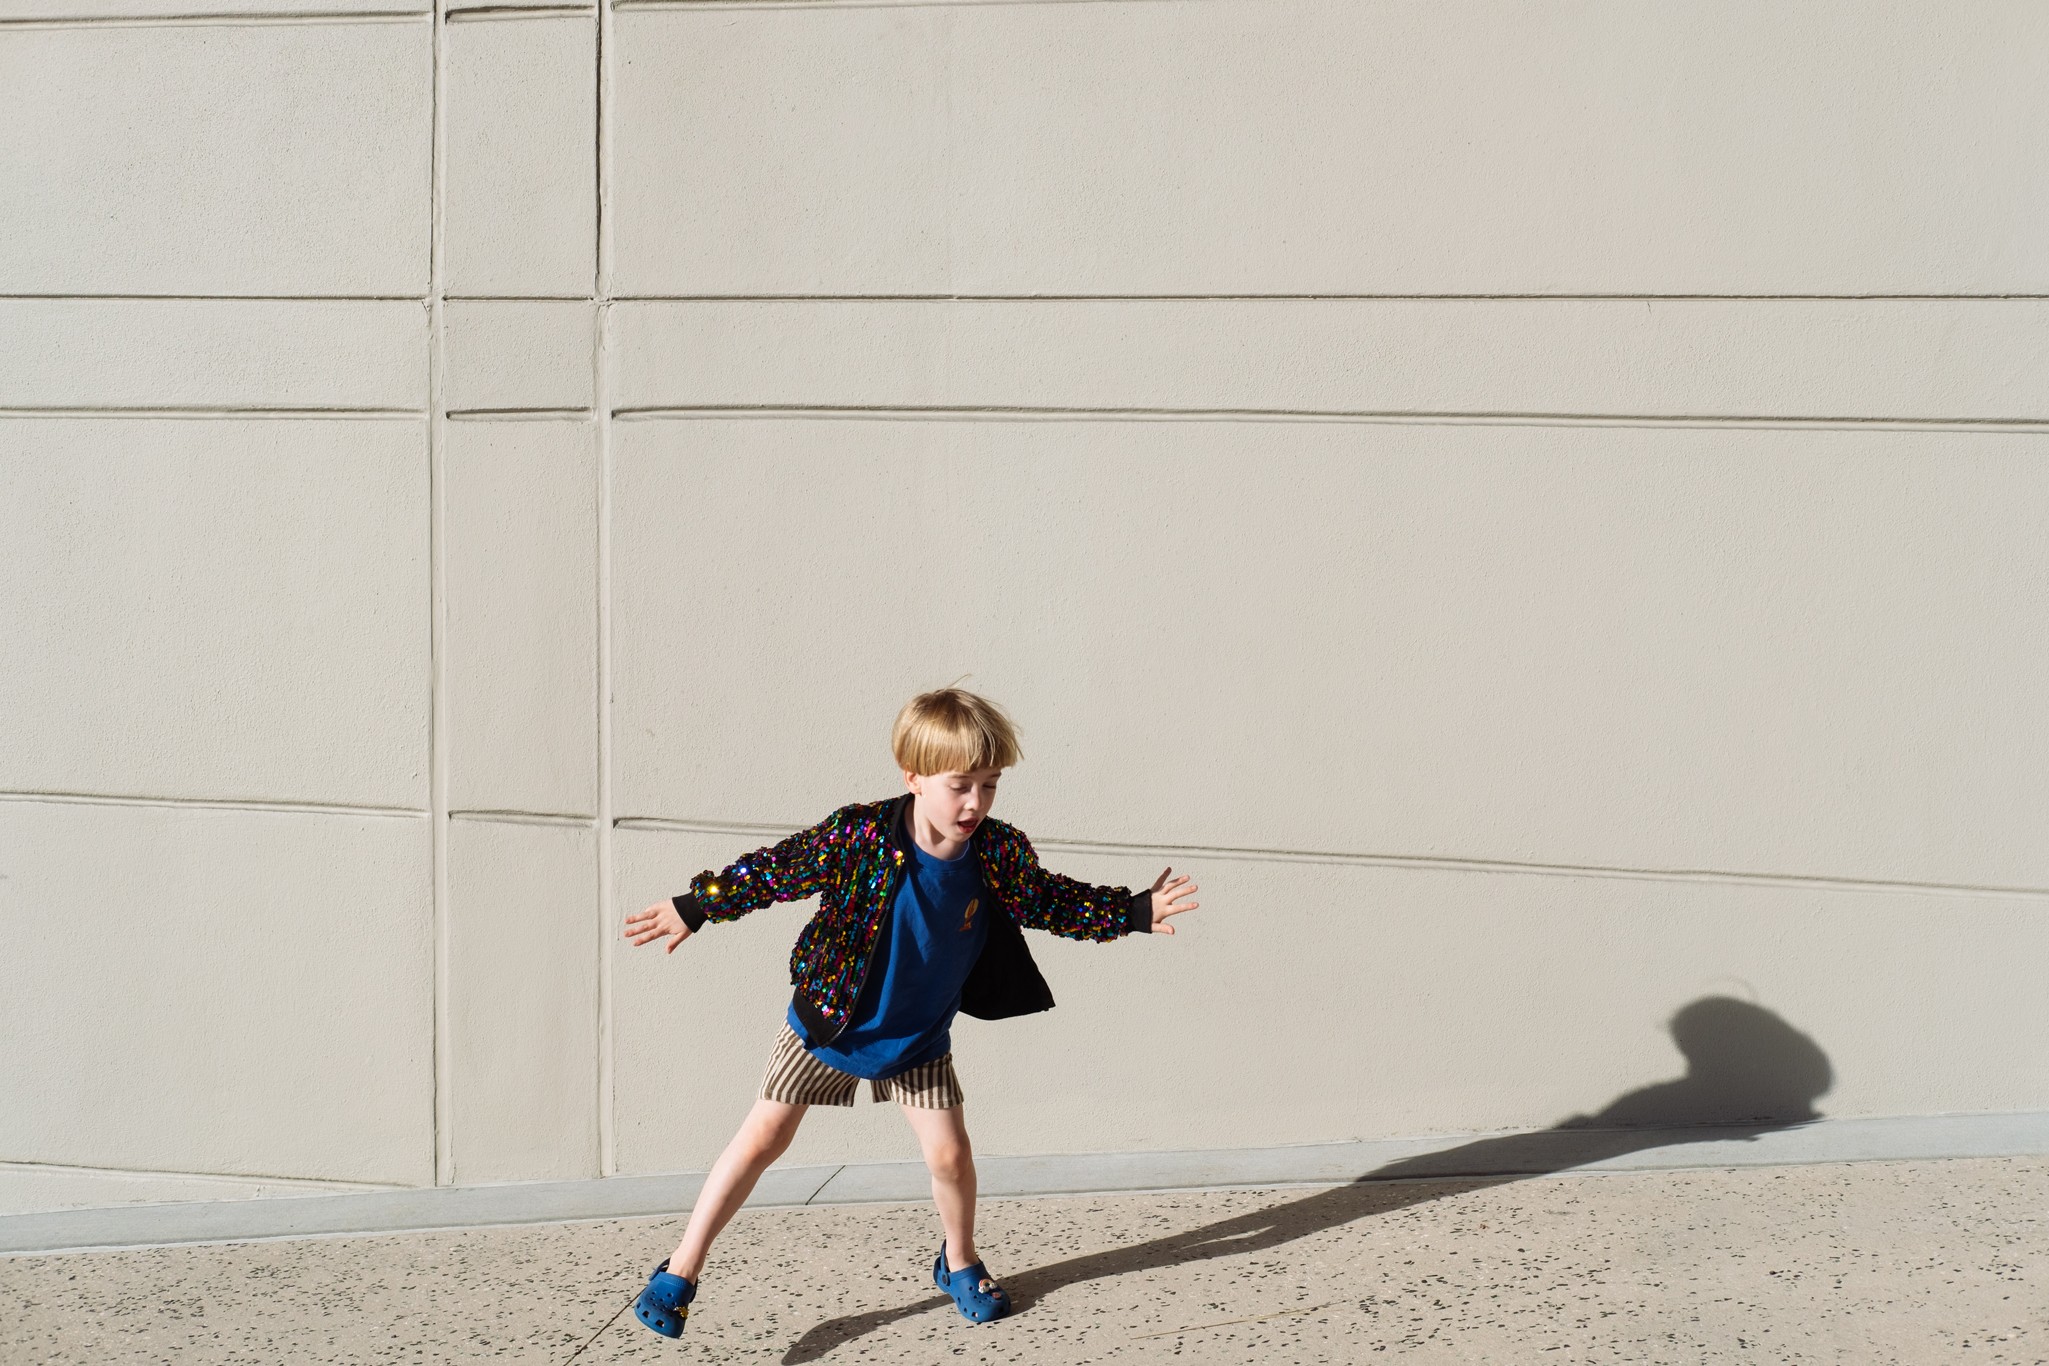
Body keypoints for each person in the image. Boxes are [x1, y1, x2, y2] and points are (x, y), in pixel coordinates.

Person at [619, 686, 1200, 1337]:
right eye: (960, 785)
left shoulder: (997, 852)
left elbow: (1047, 900)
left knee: (950, 1157)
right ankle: (681, 1268)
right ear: (914, 778)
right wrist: (697, 905)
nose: (974, 803)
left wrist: (1131, 911)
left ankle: (959, 1260)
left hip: (919, 1039)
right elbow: (776, 869)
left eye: (989, 784)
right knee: (761, 1139)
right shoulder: (860, 834)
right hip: (829, 1025)